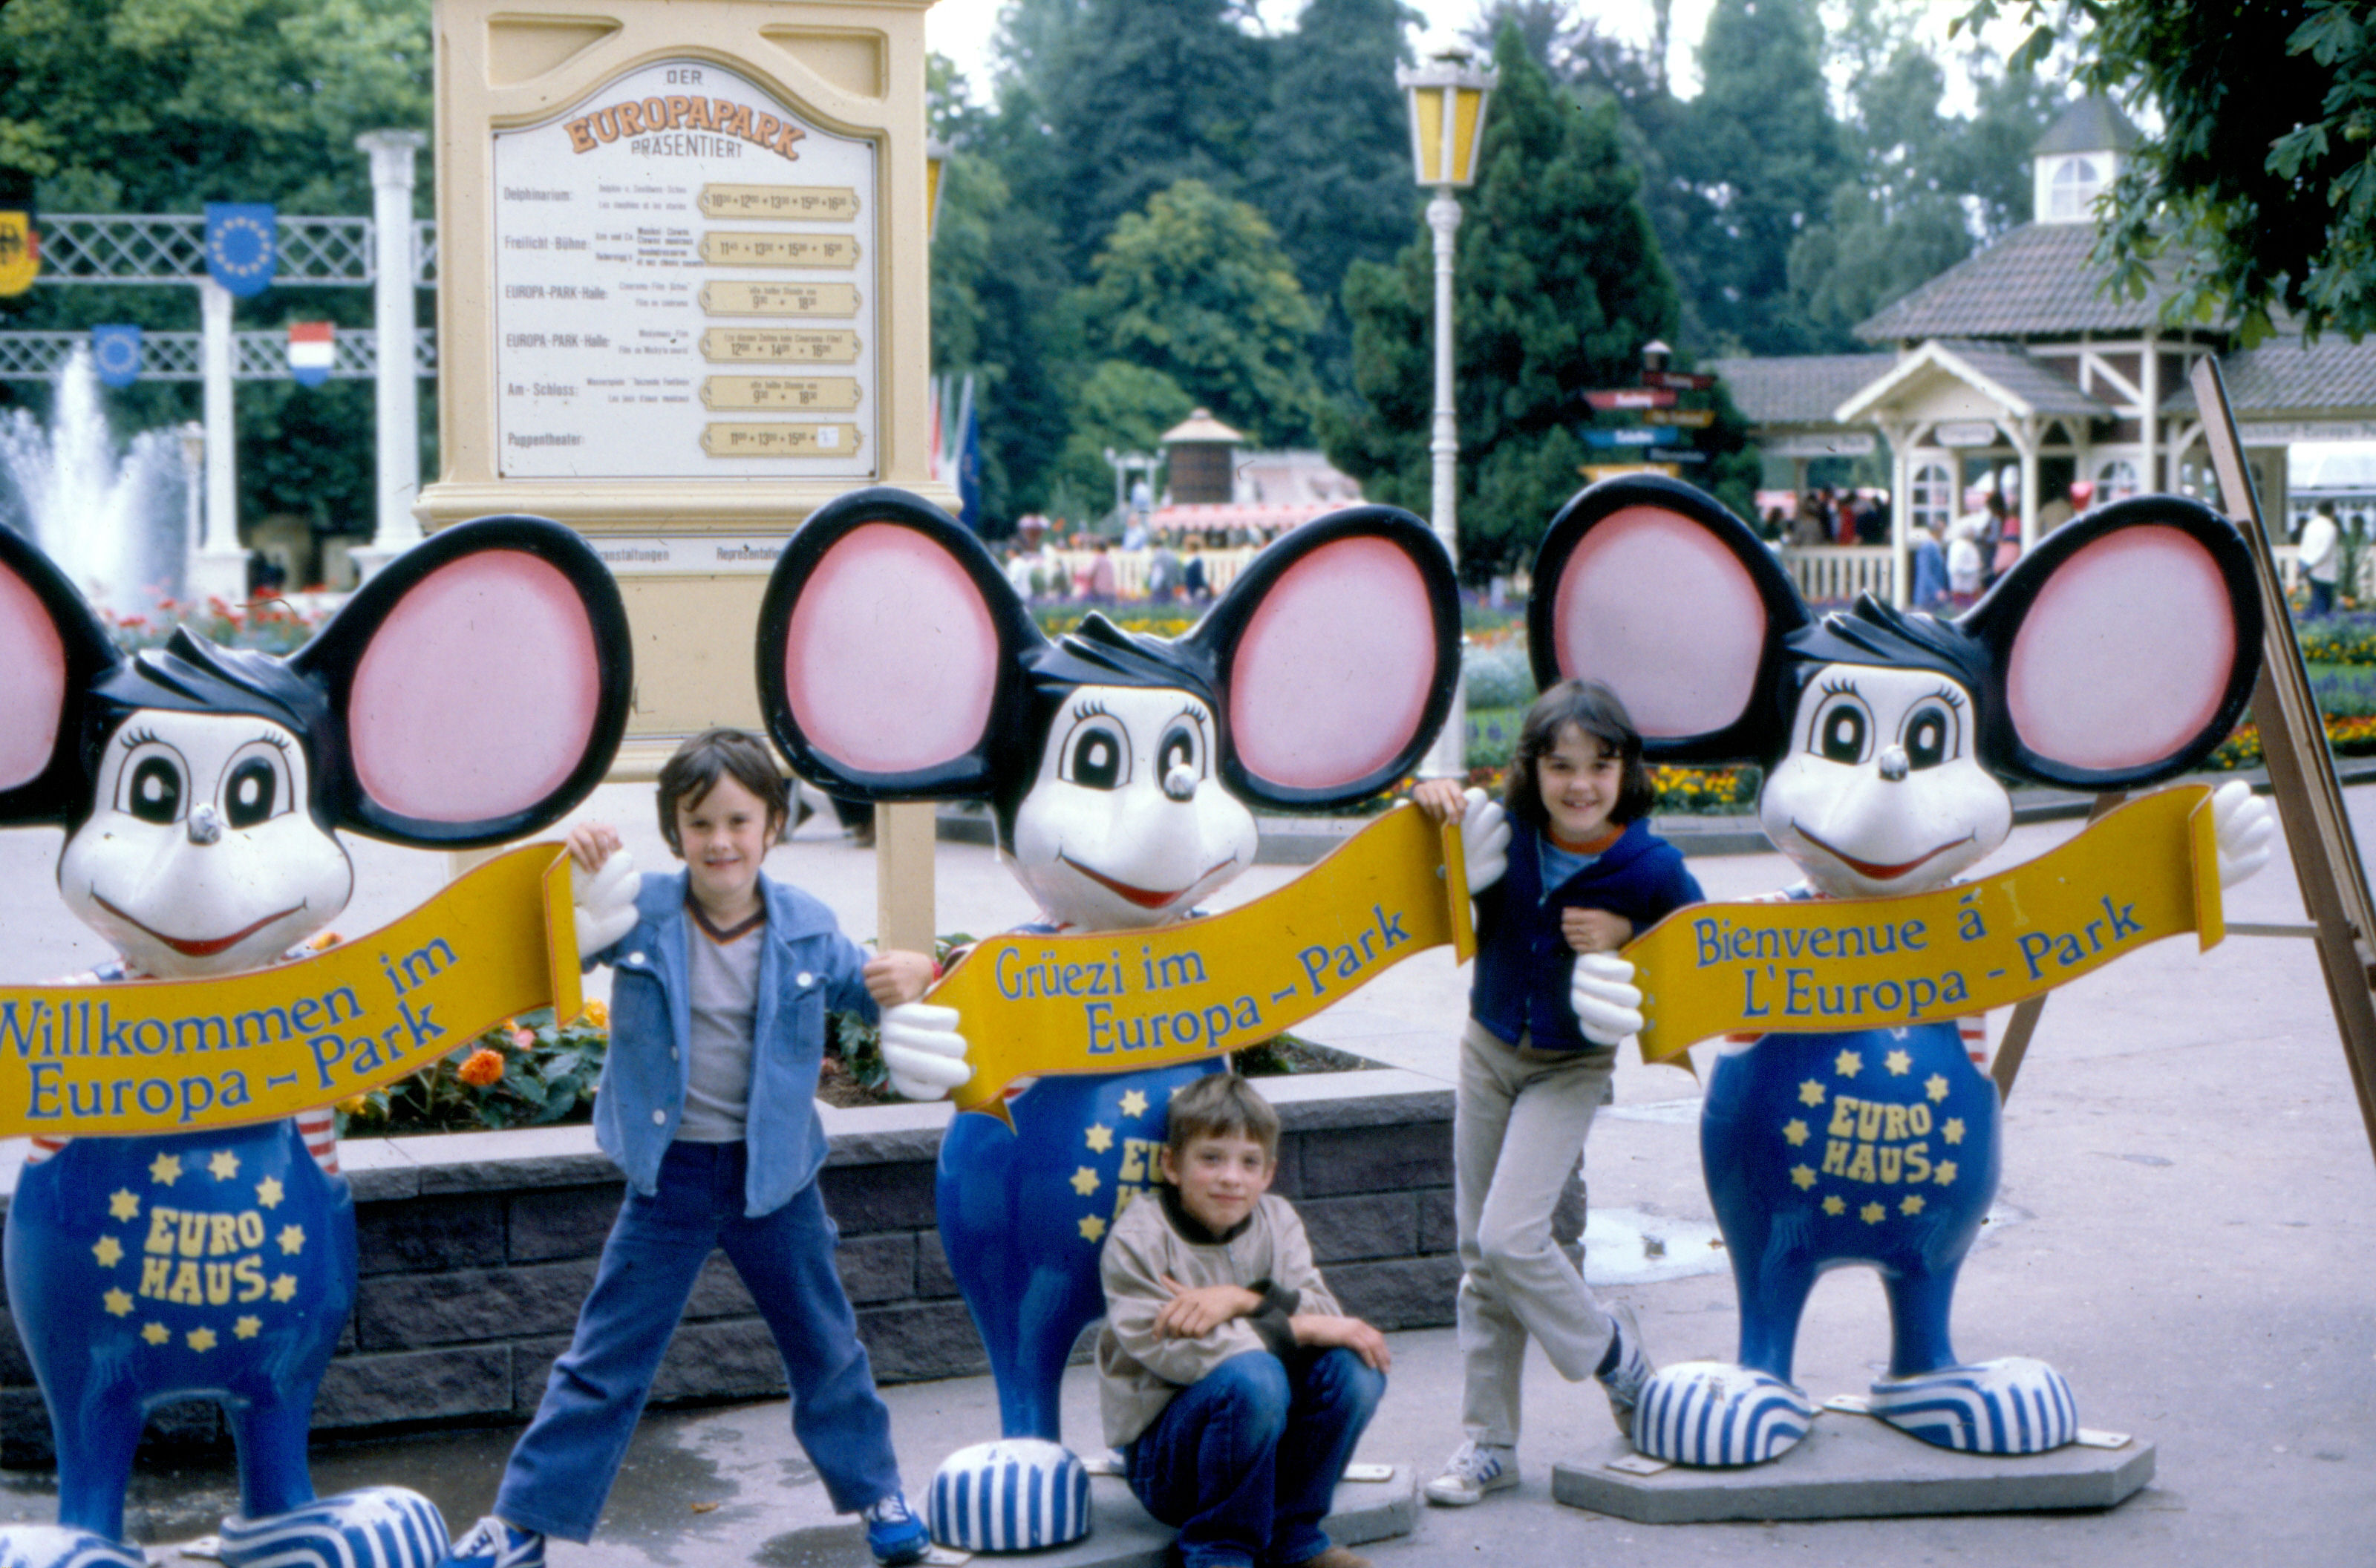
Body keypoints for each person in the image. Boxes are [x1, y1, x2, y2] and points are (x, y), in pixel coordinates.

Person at [439, 729, 944, 1568]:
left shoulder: (806, 927)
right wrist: (574, 867)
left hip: (774, 1183)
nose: (720, 841)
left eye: (739, 821)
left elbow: (875, 990)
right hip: (668, 1181)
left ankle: (877, 1492)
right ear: (674, 830)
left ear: (772, 826)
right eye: (699, 822)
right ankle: (522, 1521)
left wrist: (917, 972)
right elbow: (558, 940)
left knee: (826, 1348)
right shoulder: (641, 912)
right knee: (605, 1358)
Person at [1409, 680, 1703, 1506]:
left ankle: (1612, 1356)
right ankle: (1490, 1444)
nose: (1579, 785)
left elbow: (1699, 955)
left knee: (1510, 1238)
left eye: (1599, 766)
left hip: (1570, 1068)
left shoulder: (1651, 866)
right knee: (1480, 1260)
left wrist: (1629, 936)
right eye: (1560, 765)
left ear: (1626, 771)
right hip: (1486, 1051)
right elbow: (1427, 853)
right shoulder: (1508, 834)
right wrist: (1428, 798)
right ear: (1531, 768)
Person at [1097, 1074, 1390, 1568]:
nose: (1231, 1178)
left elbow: (1324, 1312)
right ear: (1172, 1165)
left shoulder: (1278, 1220)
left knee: (1355, 1367)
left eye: (1249, 1162)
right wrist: (1295, 1328)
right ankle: (1220, 1550)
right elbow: (1182, 1351)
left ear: (1268, 1173)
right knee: (1254, 1375)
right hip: (1171, 1463)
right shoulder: (1141, 1236)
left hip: (1267, 1451)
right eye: (1211, 1158)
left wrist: (1240, 1300)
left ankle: (1294, 1537)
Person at [2300, 500, 2341, 617]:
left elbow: (2304, 546)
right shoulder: (2330, 528)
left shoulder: (2311, 525)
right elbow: (2324, 551)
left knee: (2315, 601)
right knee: (2323, 606)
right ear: (2332, 511)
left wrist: (2304, 564)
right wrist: (2311, 564)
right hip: (2324, 572)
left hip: (2309, 568)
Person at [1910, 517, 1949, 611]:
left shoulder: (1936, 546)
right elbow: (1925, 572)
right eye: (1942, 530)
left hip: (1935, 598)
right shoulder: (1927, 547)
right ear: (1935, 532)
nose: (1944, 533)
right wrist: (1936, 590)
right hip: (1927, 596)